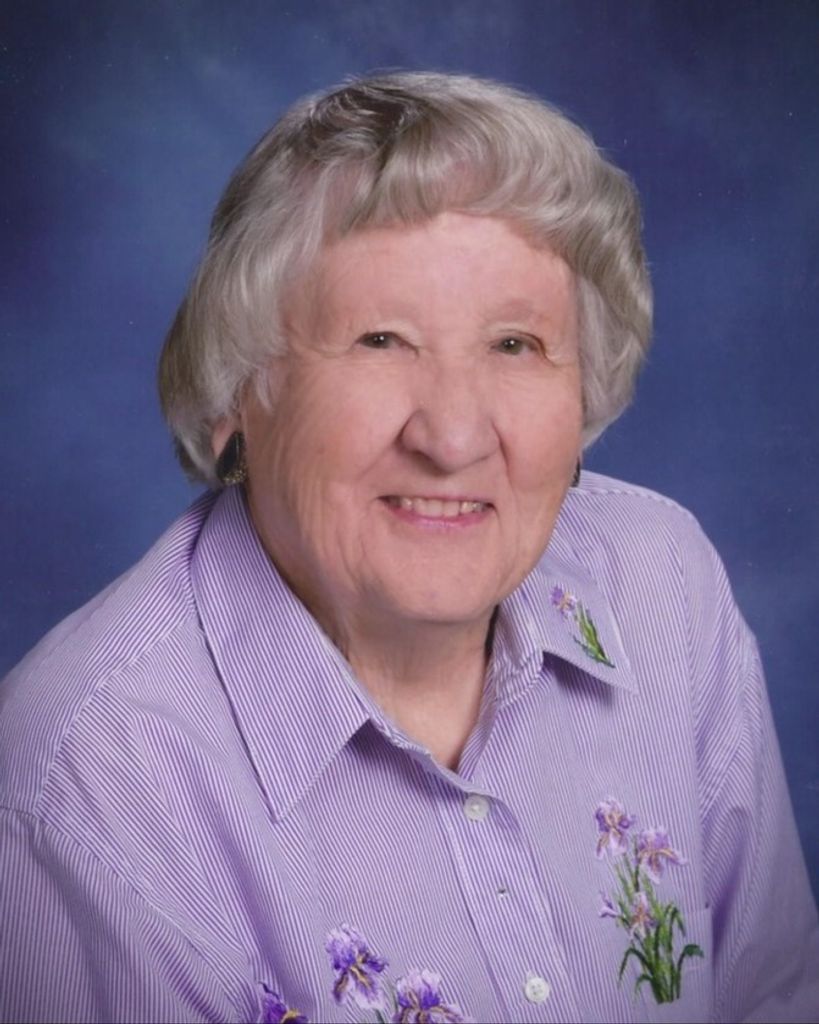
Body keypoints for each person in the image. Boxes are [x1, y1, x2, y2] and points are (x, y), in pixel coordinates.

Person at [1, 71, 816, 1024]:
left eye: (513, 345)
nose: (453, 435)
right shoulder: (89, 790)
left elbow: (774, 995)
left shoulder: (659, 580)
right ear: (237, 391)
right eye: (380, 340)